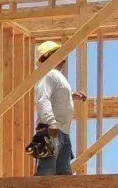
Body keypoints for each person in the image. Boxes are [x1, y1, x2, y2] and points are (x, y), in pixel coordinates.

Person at [32, 41, 85, 177]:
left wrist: (71, 96)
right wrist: (51, 122)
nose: (64, 56)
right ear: (49, 55)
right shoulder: (48, 74)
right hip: (52, 130)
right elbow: (43, 99)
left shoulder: (56, 75)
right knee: (47, 171)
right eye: (59, 52)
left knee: (63, 174)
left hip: (62, 131)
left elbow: (55, 97)